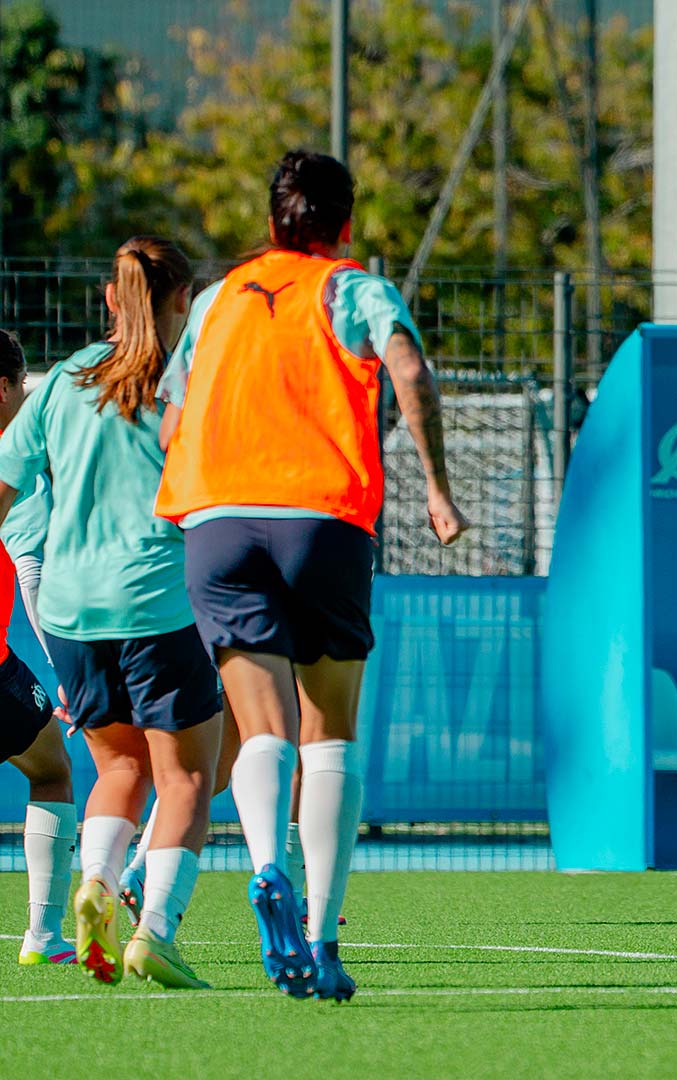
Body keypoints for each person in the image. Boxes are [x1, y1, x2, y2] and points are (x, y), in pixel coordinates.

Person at [154, 149, 467, 1000]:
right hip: (319, 519)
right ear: (346, 225)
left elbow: (172, 419)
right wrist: (437, 487)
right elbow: (409, 369)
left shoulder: (216, 300)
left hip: (217, 523)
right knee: (329, 731)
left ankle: (266, 866)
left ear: (271, 223)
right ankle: (322, 938)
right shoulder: (352, 289)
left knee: (262, 728)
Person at [0, 238, 226, 990]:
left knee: (118, 766)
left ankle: (95, 881)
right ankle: (155, 930)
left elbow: (3, 487)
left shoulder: (63, 381)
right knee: (186, 776)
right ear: (183, 300)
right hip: (157, 599)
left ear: (109, 298)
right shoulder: (188, 382)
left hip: (69, 610)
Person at [0, 330, 76, 968]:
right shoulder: (12, 458)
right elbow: (33, 573)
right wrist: (69, 667)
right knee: (51, 770)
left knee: (48, 758)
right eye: (21, 386)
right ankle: (44, 935)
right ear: (3, 387)